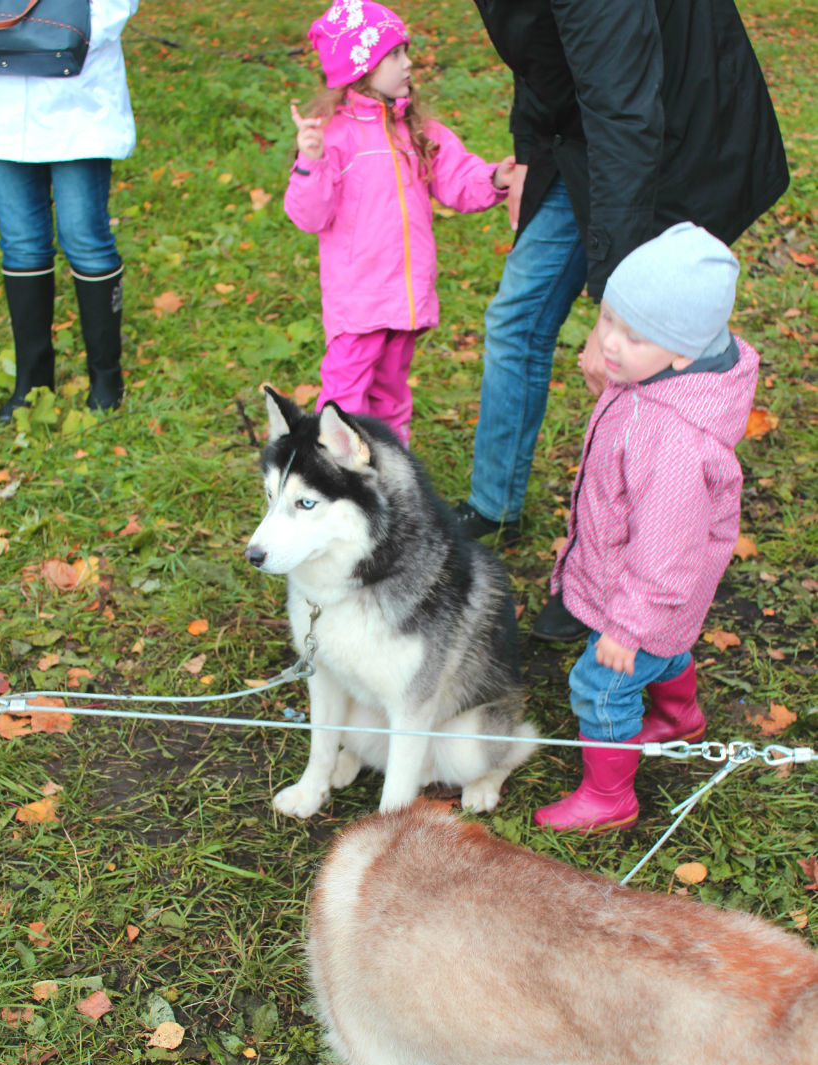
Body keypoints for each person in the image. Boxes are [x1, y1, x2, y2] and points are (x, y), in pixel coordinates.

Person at [455, 0, 788, 635]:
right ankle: (494, 505)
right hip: (582, 140)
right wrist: (529, 152)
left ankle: (612, 587)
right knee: (516, 318)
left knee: (647, 383)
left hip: (676, 140)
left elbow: (627, 114)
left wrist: (615, 318)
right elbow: (537, 57)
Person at [532, 223, 758, 833]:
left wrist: (626, 630)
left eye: (631, 335)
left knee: (600, 684)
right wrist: (612, 373)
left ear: (682, 352)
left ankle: (610, 799)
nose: (610, 342)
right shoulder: (657, 379)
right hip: (643, 585)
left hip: (642, 594)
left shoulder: (674, 443)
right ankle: (680, 717)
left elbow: (665, 554)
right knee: (672, 644)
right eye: (607, 320)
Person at [284, 0, 514, 447]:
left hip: (404, 298)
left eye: (405, 51)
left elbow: (456, 179)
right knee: (346, 398)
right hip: (359, 302)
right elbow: (309, 216)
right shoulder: (334, 136)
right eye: (394, 54)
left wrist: (494, 177)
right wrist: (310, 162)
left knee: (391, 396)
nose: (408, 63)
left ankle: (390, 473)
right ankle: (337, 478)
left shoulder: (416, 129)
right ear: (362, 66)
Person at [0, 0, 139, 422]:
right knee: (21, 244)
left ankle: (105, 378)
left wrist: (67, 33)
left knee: (85, 238)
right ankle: (33, 382)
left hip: (77, 97)